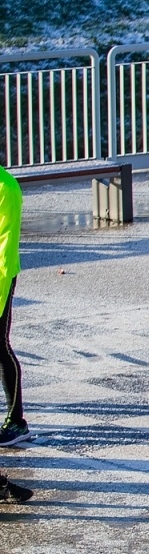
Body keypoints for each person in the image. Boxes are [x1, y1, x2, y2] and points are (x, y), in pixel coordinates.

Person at [0, 161, 31, 449]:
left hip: (1, 279)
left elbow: (6, 252)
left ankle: (17, 420)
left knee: (1, 346)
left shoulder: (6, 188)